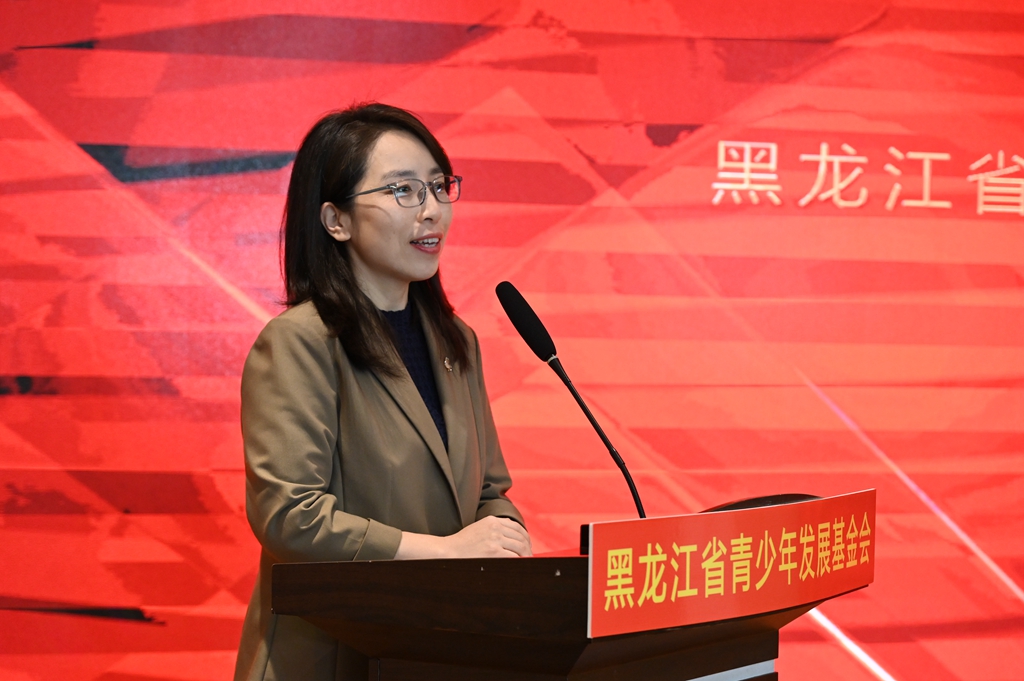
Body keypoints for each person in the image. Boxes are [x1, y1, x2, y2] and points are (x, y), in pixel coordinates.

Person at [233, 103, 531, 681]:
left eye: (439, 187)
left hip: (433, 650)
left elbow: (488, 491)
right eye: (403, 191)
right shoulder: (300, 342)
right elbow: (291, 517)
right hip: (331, 656)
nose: (432, 209)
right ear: (336, 220)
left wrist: (505, 537)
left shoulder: (456, 341)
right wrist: (444, 553)